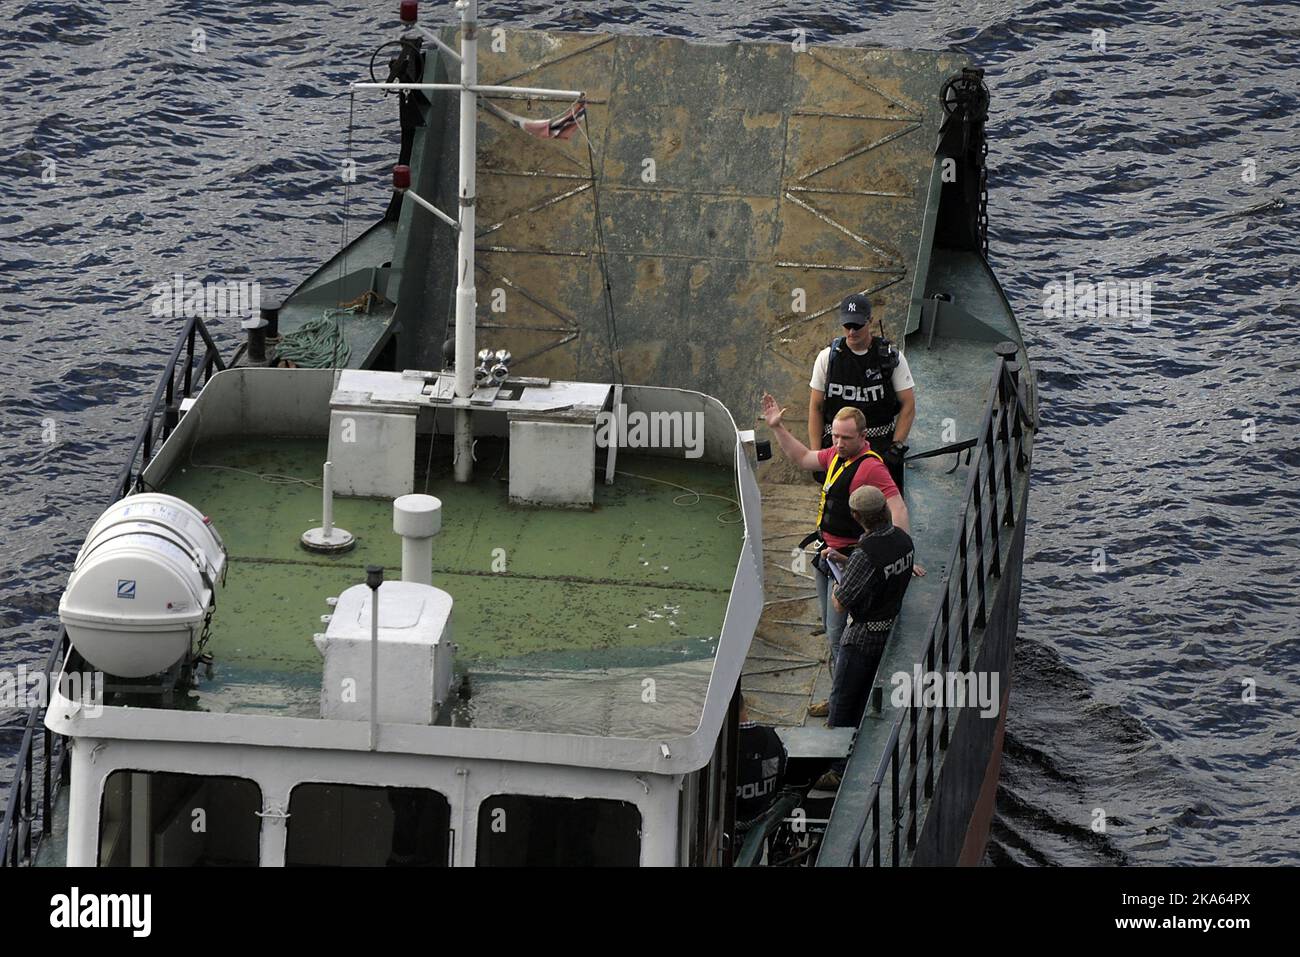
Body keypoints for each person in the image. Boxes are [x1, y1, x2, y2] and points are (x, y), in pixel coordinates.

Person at [760, 394, 923, 717]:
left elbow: (897, 506)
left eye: (846, 437)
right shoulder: (837, 455)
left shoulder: (871, 467)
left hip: (849, 560)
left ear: (863, 437)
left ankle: (842, 700)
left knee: (838, 635)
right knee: (829, 627)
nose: (838, 442)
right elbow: (804, 458)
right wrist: (778, 428)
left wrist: (903, 551)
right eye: (835, 435)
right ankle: (840, 692)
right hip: (827, 555)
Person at [814, 485, 916, 791]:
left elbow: (841, 602)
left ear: (857, 517)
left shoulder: (865, 553)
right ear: (884, 510)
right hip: (889, 629)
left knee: (844, 700)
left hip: (862, 637)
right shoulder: (903, 540)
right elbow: (882, 572)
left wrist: (837, 580)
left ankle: (837, 768)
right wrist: (846, 559)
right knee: (863, 694)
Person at [808, 293, 916, 493]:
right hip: (837, 445)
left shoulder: (892, 359)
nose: (851, 331)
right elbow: (816, 407)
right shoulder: (827, 358)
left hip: (879, 445)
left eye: (857, 325)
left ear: (870, 321)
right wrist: (816, 454)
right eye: (847, 325)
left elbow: (908, 404)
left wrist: (896, 446)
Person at [734, 693, 788, 828]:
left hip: (730, 832)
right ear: (744, 706)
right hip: (765, 821)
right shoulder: (773, 738)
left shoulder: (719, 749)